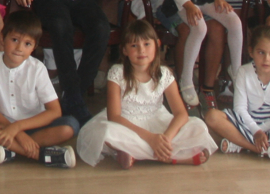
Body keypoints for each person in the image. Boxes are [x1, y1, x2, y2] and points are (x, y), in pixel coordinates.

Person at [75, 20, 214, 168]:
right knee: (106, 132)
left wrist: (165, 138)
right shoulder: (117, 73)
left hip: (158, 121)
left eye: (147, 44)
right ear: (124, 50)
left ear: (157, 44)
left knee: (198, 126)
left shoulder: (164, 74)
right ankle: (173, 158)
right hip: (126, 124)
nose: (141, 50)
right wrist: (150, 139)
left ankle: (135, 153)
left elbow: (181, 113)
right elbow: (114, 117)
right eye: (134, 46)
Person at [0, 11, 80, 168]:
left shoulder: (37, 69)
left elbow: (55, 111)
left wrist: (18, 128)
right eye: (14, 40)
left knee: (70, 126)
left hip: (35, 127)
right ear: (2, 38)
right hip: (3, 126)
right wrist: (17, 133)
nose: (19, 48)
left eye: (27, 44)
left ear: (34, 46)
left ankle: (11, 150)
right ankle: (40, 155)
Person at [204, 26, 270, 162]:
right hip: (247, 121)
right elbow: (240, 109)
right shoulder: (243, 71)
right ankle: (262, 149)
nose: (266, 59)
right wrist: (256, 131)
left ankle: (240, 144)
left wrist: (260, 131)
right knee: (212, 116)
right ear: (251, 51)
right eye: (261, 52)